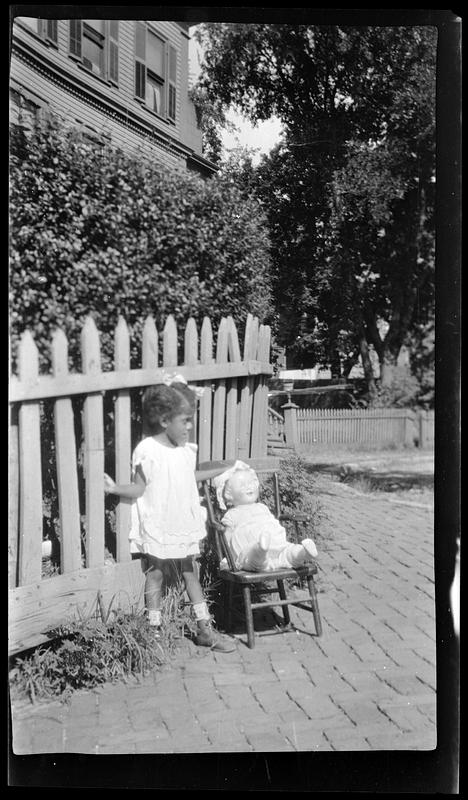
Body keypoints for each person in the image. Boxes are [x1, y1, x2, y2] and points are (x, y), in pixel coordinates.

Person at [104, 374, 236, 653]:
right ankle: (153, 631)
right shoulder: (148, 451)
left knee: (190, 572)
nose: (189, 427)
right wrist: (115, 488)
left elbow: (190, 477)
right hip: (159, 523)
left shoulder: (186, 452)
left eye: (190, 420)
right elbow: (140, 489)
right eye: (184, 421)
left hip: (182, 522)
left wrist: (223, 469)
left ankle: (205, 630)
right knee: (156, 574)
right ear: (165, 421)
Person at [213, 461, 318, 572]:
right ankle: (260, 550)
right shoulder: (232, 514)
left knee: (286, 551)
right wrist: (230, 556)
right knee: (252, 557)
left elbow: (271, 522)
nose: (249, 487)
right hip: (249, 551)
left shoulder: (262, 507)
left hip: (276, 546)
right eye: (242, 485)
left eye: (251, 483)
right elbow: (227, 537)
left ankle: (300, 553)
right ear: (229, 494)